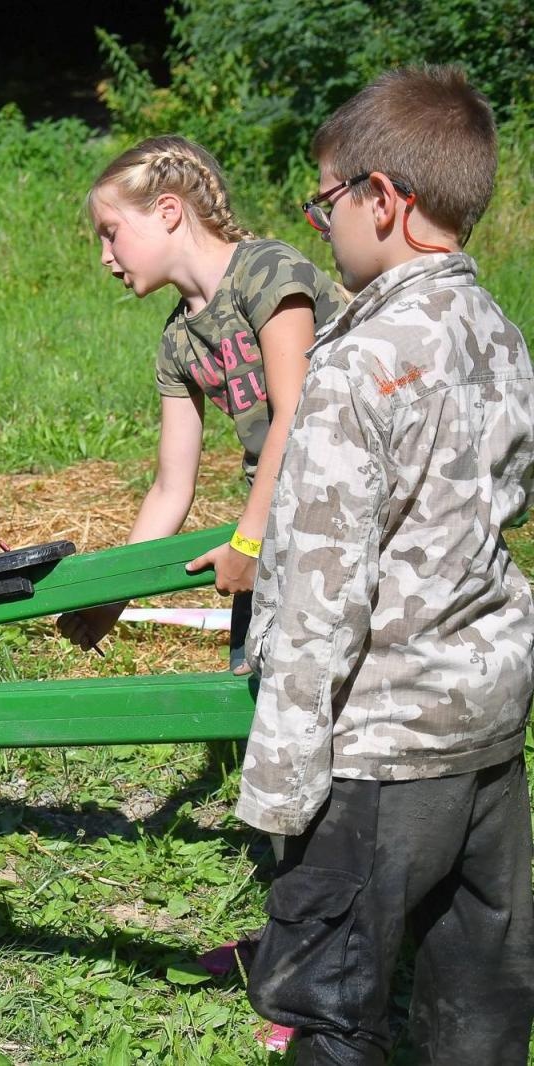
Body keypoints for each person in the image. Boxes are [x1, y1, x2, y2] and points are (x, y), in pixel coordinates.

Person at [238, 66, 534, 1062]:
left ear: (384, 199)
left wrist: (281, 790)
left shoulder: (357, 364)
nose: (319, 223)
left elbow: (319, 597)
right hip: (487, 727)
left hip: (380, 751)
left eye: (325, 200)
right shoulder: (497, 331)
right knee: (479, 997)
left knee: (328, 1004)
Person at [55, 136, 344, 673]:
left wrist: (249, 542)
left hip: (349, 505)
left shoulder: (267, 271)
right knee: (251, 679)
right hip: (278, 518)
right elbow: (170, 488)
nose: (104, 256)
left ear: (168, 211)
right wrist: (111, 601)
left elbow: (296, 416)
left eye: (111, 233)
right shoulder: (177, 342)